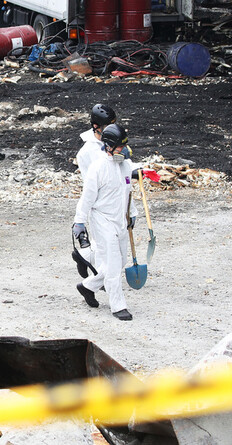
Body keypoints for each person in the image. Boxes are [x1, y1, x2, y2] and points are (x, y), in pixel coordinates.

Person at [72, 123, 138, 321]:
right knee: (112, 263)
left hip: (120, 219)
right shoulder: (97, 168)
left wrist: (132, 213)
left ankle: (87, 286)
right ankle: (118, 306)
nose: (123, 150)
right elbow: (87, 198)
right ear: (108, 146)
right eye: (120, 146)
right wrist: (80, 221)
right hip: (101, 219)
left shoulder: (125, 166)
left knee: (120, 262)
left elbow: (128, 192)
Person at [73, 103, 119, 278]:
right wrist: (81, 219)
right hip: (100, 203)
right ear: (96, 127)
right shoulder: (86, 153)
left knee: (112, 241)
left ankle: (83, 256)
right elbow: (90, 186)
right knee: (104, 245)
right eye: (108, 126)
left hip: (115, 198)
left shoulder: (114, 141)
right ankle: (100, 282)